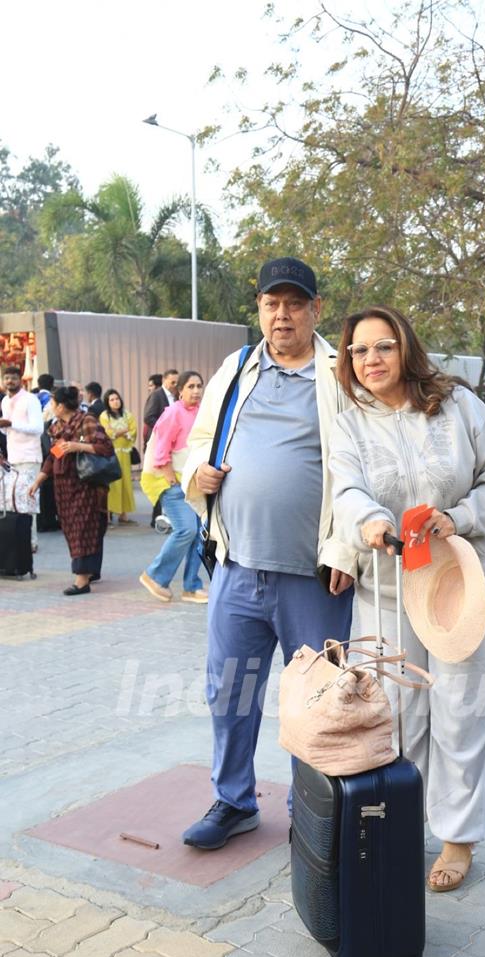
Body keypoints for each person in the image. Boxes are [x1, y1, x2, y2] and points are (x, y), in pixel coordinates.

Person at [330, 304, 485, 892]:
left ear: (405, 347)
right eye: (358, 351)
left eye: (381, 346)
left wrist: (458, 517)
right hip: (387, 587)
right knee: (399, 713)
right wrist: (367, 522)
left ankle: (458, 837)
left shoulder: (457, 405)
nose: (370, 360)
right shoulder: (349, 420)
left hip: (461, 584)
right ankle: (403, 823)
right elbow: (347, 487)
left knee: (462, 709)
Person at [180, 256, 356, 851]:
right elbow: (199, 442)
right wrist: (195, 473)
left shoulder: (341, 375)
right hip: (235, 568)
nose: (282, 314)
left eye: (294, 304)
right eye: (271, 303)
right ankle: (233, 802)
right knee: (229, 694)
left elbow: (363, 470)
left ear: (315, 310)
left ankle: (315, 812)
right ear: (258, 307)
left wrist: (347, 548)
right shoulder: (236, 368)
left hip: (315, 576)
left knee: (321, 703)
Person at [29, 385, 114, 595]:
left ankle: (81, 580)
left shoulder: (87, 421)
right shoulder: (58, 426)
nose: (50, 407)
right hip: (64, 487)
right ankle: (91, 570)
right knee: (72, 528)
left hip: (85, 484)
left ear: (61, 405)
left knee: (83, 529)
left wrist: (79, 446)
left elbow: (106, 448)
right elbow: (53, 456)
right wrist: (38, 481)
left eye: (52, 403)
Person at [139, 371, 208, 604]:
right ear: (180, 390)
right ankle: (155, 575)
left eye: (199, 386)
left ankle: (191, 586)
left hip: (191, 481)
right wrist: (170, 478)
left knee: (200, 534)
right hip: (170, 481)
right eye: (191, 386)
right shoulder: (172, 413)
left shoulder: (201, 413)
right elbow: (160, 449)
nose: (196, 391)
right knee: (186, 530)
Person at [0, 365, 44, 550]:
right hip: (13, 457)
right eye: (6, 378)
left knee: (28, 499)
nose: (10, 381)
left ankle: (31, 542)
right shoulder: (4, 401)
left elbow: (38, 429)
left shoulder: (30, 400)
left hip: (30, 456)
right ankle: (18, 542)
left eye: (13, 378)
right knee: (13, 500)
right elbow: (7, 430)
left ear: (21, 380)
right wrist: (4, 426)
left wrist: (11, 423)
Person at [100, 389, 137, 523]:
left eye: (117, 399)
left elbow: (133, 431)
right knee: (112, 483)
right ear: (107, 402)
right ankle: (109, 513)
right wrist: (122, 431)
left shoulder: (128, 415)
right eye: (112, 400)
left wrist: (119, 432)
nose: (115, 402)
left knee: (125, 482)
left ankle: (123, 513)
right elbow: (107, 432)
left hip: (125, 453)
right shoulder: (105, 416)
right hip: (111, 454)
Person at [143, 369, 179, 447]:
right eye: (173, 382)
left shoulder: (177, 396)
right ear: (164, 380)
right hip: (158, 439)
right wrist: (164, 428)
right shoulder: (156, 395)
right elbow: (148, 417)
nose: (175, 385)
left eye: (177, 382)